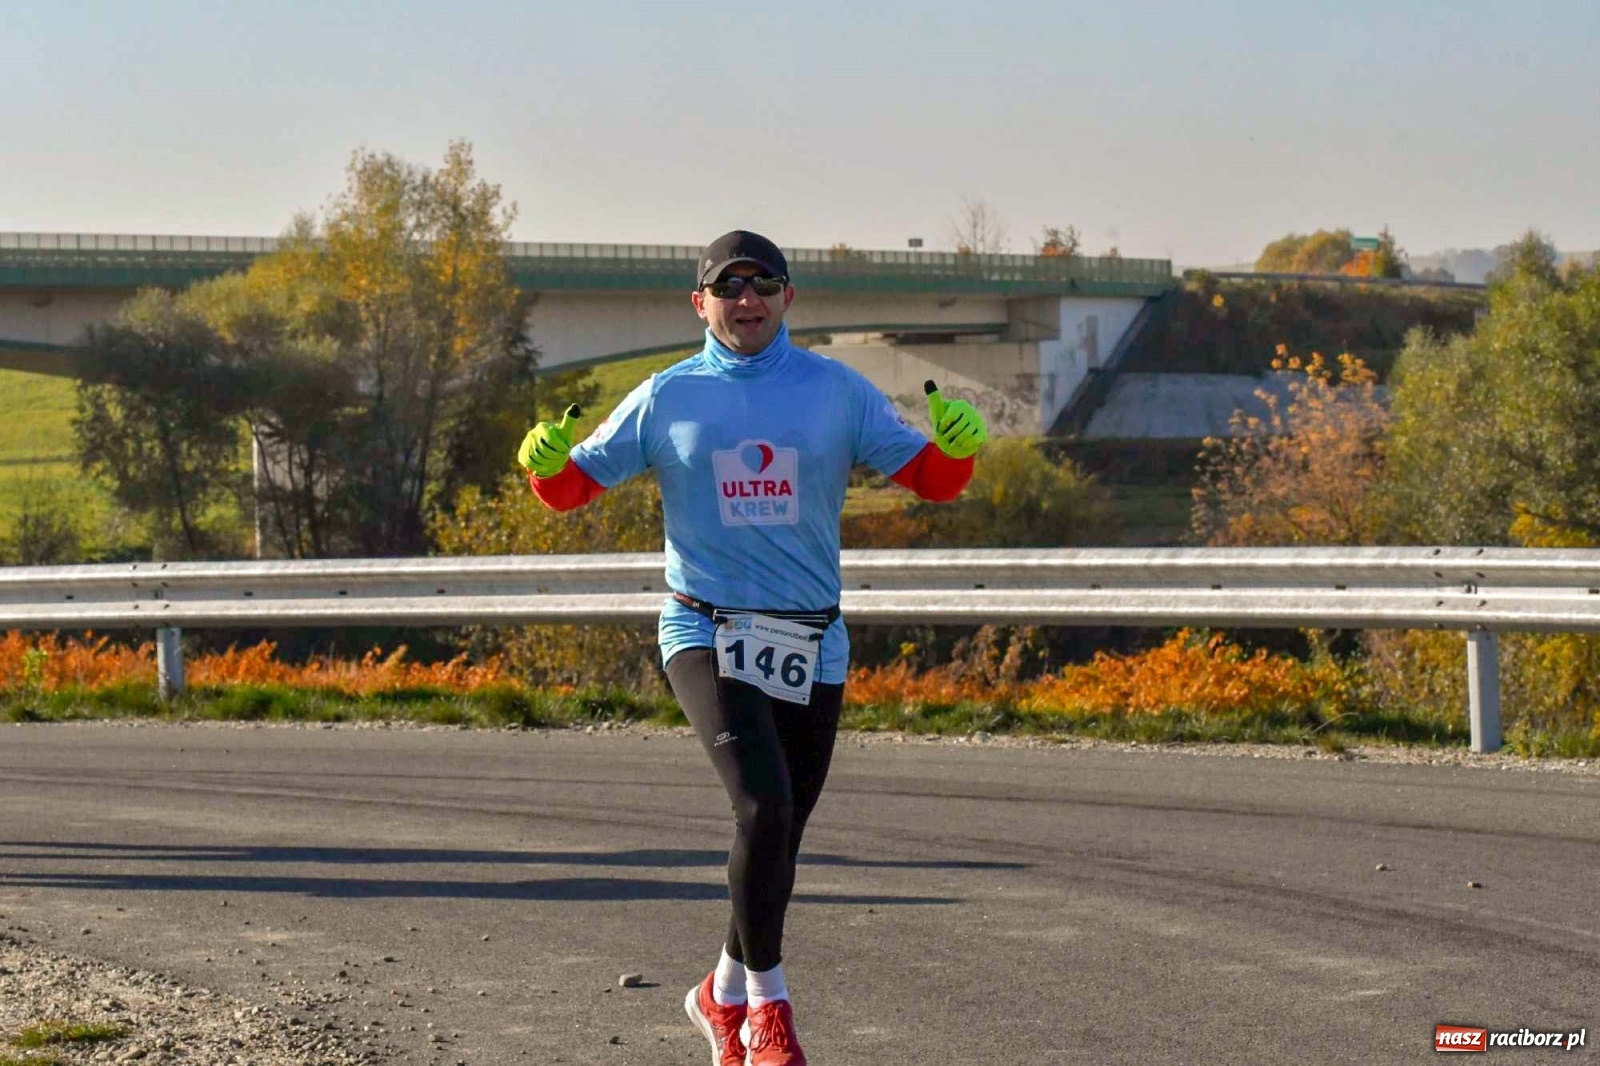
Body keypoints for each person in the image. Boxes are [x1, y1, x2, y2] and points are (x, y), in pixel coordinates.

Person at [516, 230, 987, 1066]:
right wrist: (543, 466)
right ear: (700, 304)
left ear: (787, 298)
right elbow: (571, 489)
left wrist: (958, 447)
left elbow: (936, 482)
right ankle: (770, 1010)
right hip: (705, 627)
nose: (746, 300)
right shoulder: (667, 396)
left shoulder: (835, 391)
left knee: (782, 832)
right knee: (762, 808)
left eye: (762, 285)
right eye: (727, 288)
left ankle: (719, 992)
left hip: (812, 638)